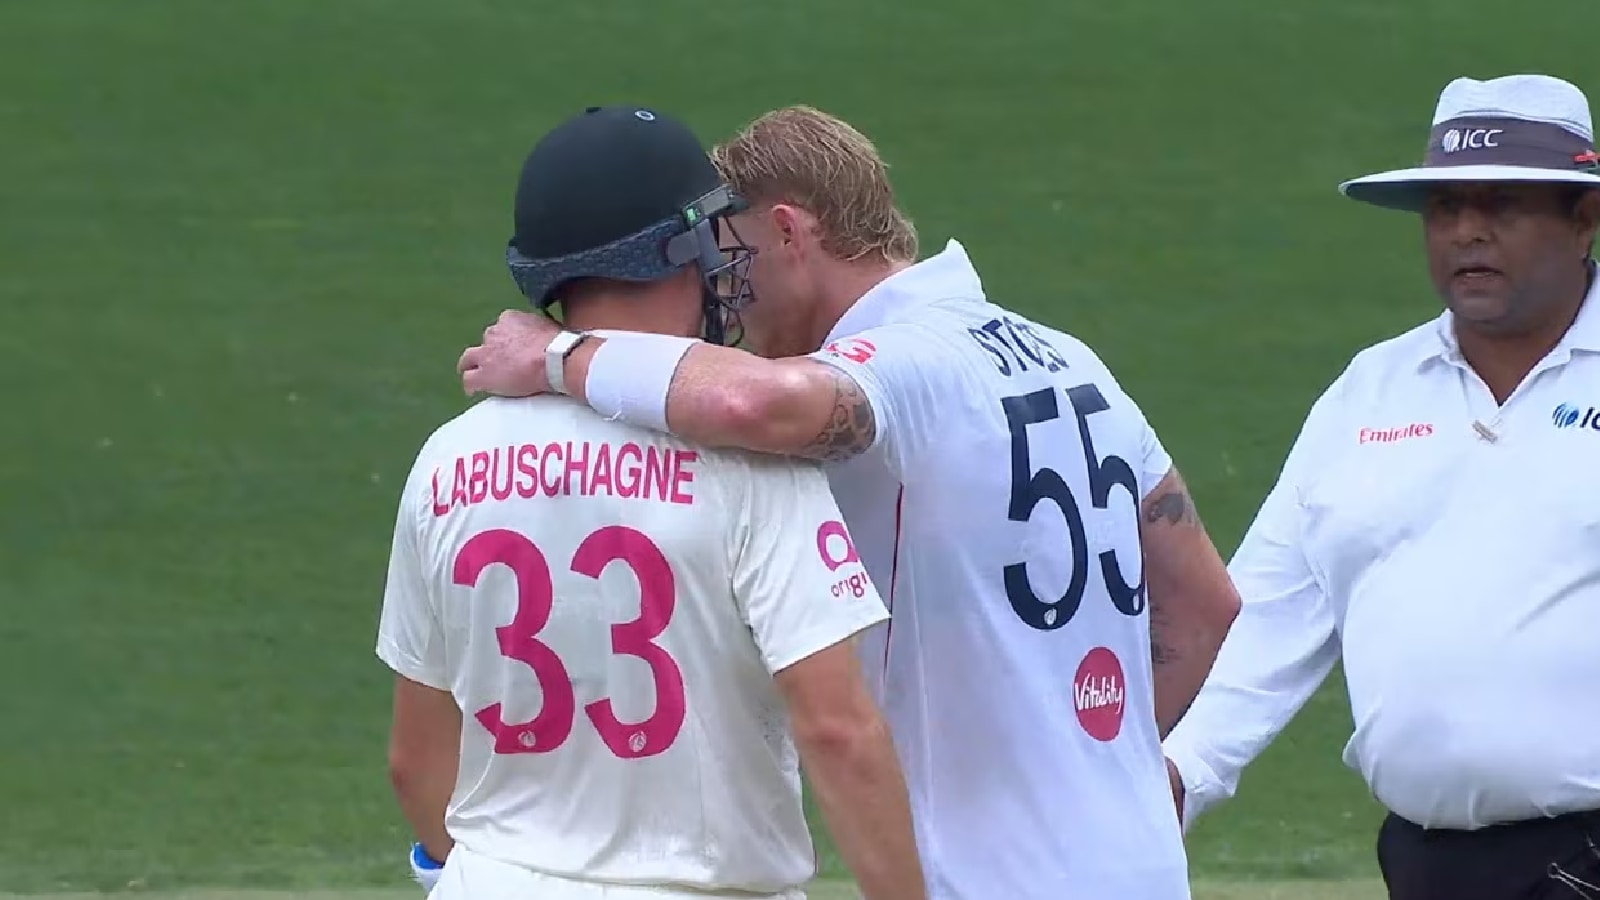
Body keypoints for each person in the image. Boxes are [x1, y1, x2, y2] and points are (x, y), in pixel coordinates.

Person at [456, 105, 1242, 900]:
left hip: (985, 880)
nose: (728, 294)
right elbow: (1206, 603)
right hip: (1140, 862)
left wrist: (557, 354)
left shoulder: (910, 361)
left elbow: (755, 405)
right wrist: (1083, 763)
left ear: (790, 232)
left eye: (736, 256)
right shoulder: (1070, 360)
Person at [376, 105, 926, 900]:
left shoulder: (447, 460)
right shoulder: (753, 464)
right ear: (679, 253)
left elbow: (416, 760)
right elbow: (837, 729)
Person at [1161, 74, 1600, 900]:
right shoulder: (1371, 390)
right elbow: (1272, 609)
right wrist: (1177, 773)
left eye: (1503, 205)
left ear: (1584, 218)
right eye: (1446, 207)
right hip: (1426, 864)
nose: (1468, 231)